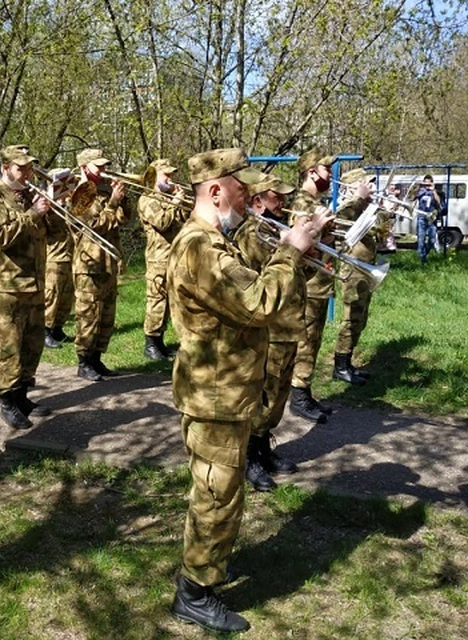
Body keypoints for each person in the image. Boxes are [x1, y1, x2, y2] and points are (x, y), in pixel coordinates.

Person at [167, 147, 330, 633]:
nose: (250, 194)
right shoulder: (201, 247)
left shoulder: (220, 240)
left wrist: (295, 261)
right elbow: (259, 302)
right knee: (216, 495)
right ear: (215, 190)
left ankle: (209, 565)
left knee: (224, 491)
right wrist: (291, 251)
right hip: (214, 394)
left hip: (228, 390)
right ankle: (195, 591)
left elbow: (255, 295)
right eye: (242, 187)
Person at [233, 175, 303, 492]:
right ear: (258, 200)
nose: (283, 203)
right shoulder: (254, 232)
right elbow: (260, 282)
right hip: (269, 326)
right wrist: (290, 248)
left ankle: (263, 448)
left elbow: (301, 273)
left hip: (289, 323)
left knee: (279, 395)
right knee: (263, 395)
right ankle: (251, 459)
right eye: (277, 197)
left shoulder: (278, 229)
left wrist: (310, 245)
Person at [0, 145, 51, 429]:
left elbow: (53, 234)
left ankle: (22, 394)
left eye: (29, 167)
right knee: (9, 345)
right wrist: (34, 213)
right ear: (5, 168)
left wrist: (51, 211)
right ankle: (7, 401)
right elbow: (3, 235)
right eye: (21, 168)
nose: (27, 173)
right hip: (9, 285)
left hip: (35, 281)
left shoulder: (30, 194)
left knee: (32, 343)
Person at [288, 148, 337, 424]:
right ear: (311, 172)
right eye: (326, 168)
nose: (330, 174)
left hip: (319, 282)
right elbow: (303, 245)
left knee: (314, 338)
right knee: (305, 340)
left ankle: (304, 388)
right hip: (308, 283)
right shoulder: (302, 203)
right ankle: (299, 394)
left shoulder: (314, 201)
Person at [72, 148, 129, 381]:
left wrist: (124, 199)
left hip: (108, 262)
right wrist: (113, 203)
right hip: (90, 264)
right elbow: (95, 225)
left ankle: (97, 358)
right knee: (89, 314)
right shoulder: (80, 193)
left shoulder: (104, 189)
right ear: (85, 168)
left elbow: (123, 220)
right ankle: (84, 361)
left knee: (106, 314)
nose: (104, 170)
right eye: (99, 166)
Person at [139, 158, 189, 361]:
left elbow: (186, 220)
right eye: (166, 174)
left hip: (175, 256)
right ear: (154, 175)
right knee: (156, 301)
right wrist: (175, 203)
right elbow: (162, 222)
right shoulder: (147, 199)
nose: (170, 178)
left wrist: (182, 203)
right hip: (158, 258)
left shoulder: (169, 197)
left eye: (171, 174)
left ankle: (161, 341)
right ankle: (150, 342)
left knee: (170, 301)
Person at [333, 169, 376, 385]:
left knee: (361, 318)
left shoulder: (364, 207)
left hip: (365, 269)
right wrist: (358, 199)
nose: (371, 188)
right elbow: (341, 224)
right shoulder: (346, 208)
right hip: (352, 270)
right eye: (366, 184)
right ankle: (340, 365)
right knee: (351, 317)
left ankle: (348, 362)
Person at [43, 170, 76, 349]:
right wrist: (52, 200)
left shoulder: (69, 205)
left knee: (66, 296)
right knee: (52, 295)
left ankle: (58, 327)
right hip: (54, 257)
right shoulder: (48, 206)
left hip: (70, 256)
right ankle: (46, 330)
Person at [416, 174, 441, 264]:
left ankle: (424, 253)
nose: (427, 186)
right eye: (425, 183)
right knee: (421, 239)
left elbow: (438, 202)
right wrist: (420, 187)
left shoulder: (434, 192)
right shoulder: (420, 192)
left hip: (431, 218)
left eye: (428, 184)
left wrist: (433, 190)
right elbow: (413, 197)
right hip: (421, 217)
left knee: (432, 239)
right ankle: (423, 260)